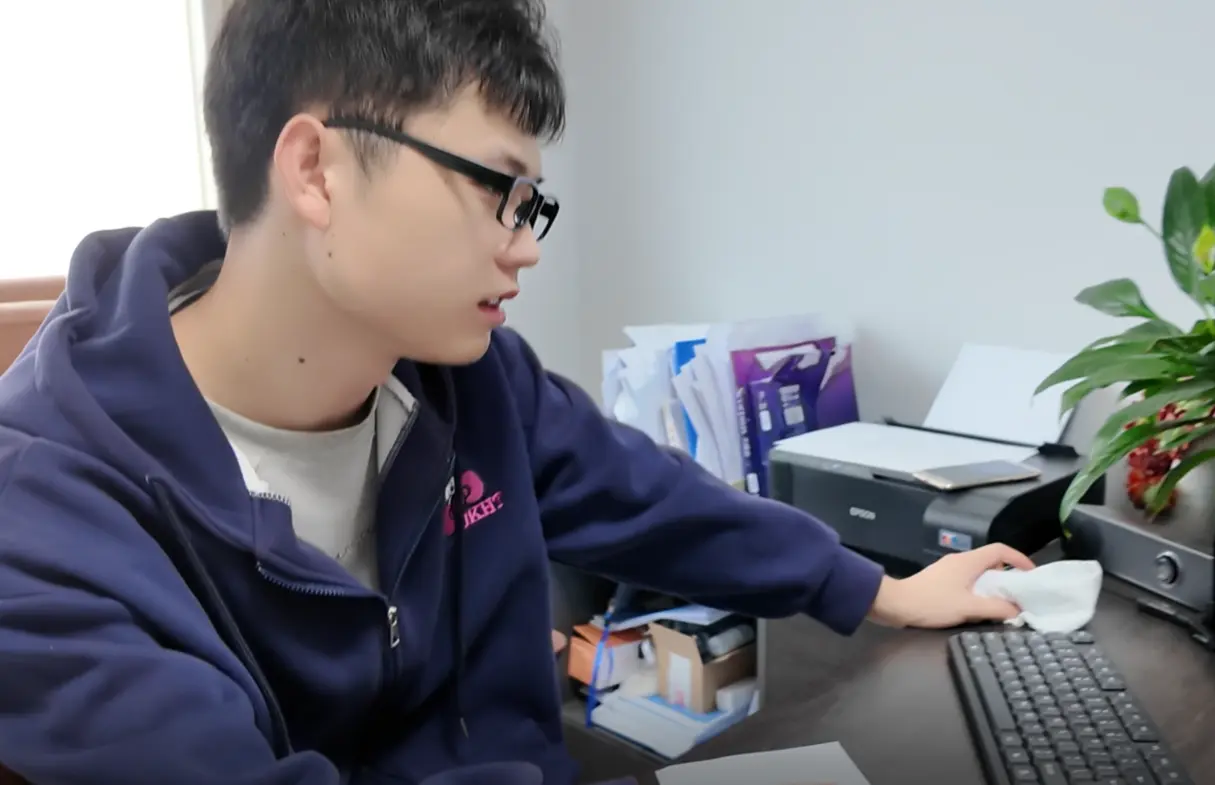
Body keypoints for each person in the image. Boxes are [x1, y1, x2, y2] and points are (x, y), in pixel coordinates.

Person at [0, 3, 1033, 784]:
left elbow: (650, 496)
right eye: (499, 190)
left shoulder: (468, 377)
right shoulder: (43, 524)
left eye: (532, 203)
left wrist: (876, 588)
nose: (526, 245)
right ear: (315, 169)